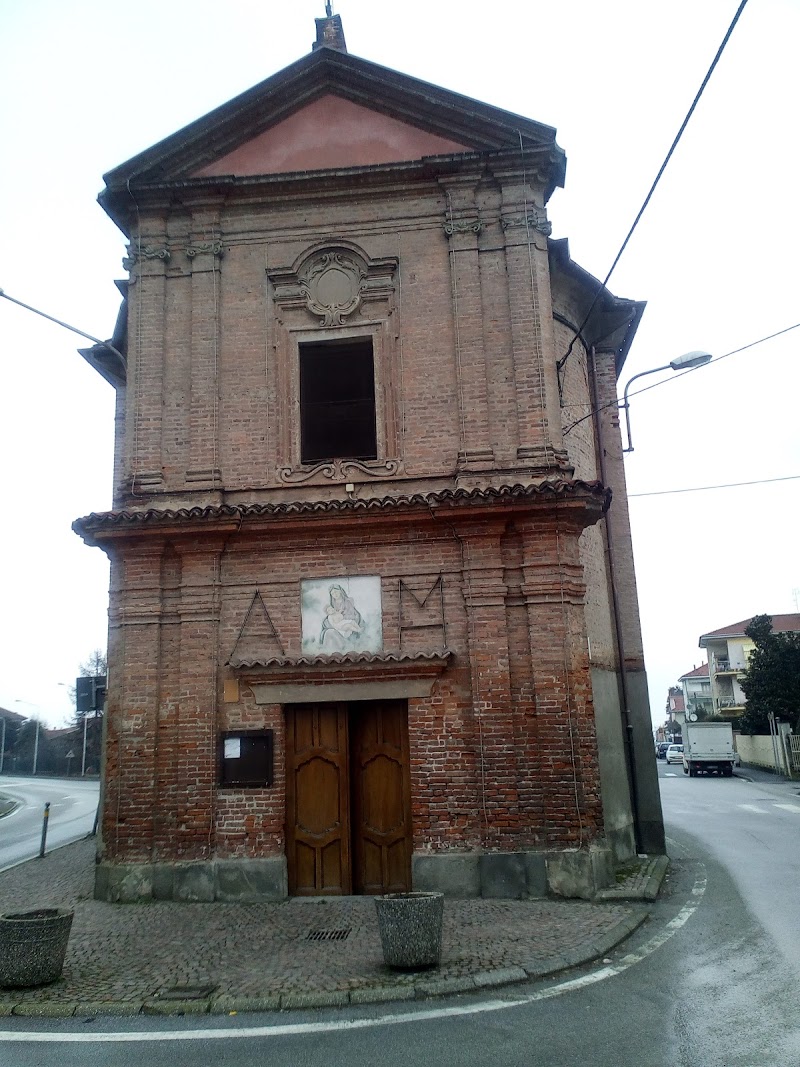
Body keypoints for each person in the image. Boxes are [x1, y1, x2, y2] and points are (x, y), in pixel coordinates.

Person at [320, 585, 362, 651]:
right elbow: (330, 616)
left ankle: (344, 648)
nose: (335, 594)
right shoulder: (332, 604)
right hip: (338, 625)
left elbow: (353, 615)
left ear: (340, 591)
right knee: (328, 632)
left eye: (336, 592)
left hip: (347, 622)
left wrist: (341, 616)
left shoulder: (348, 601)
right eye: (332, 593)